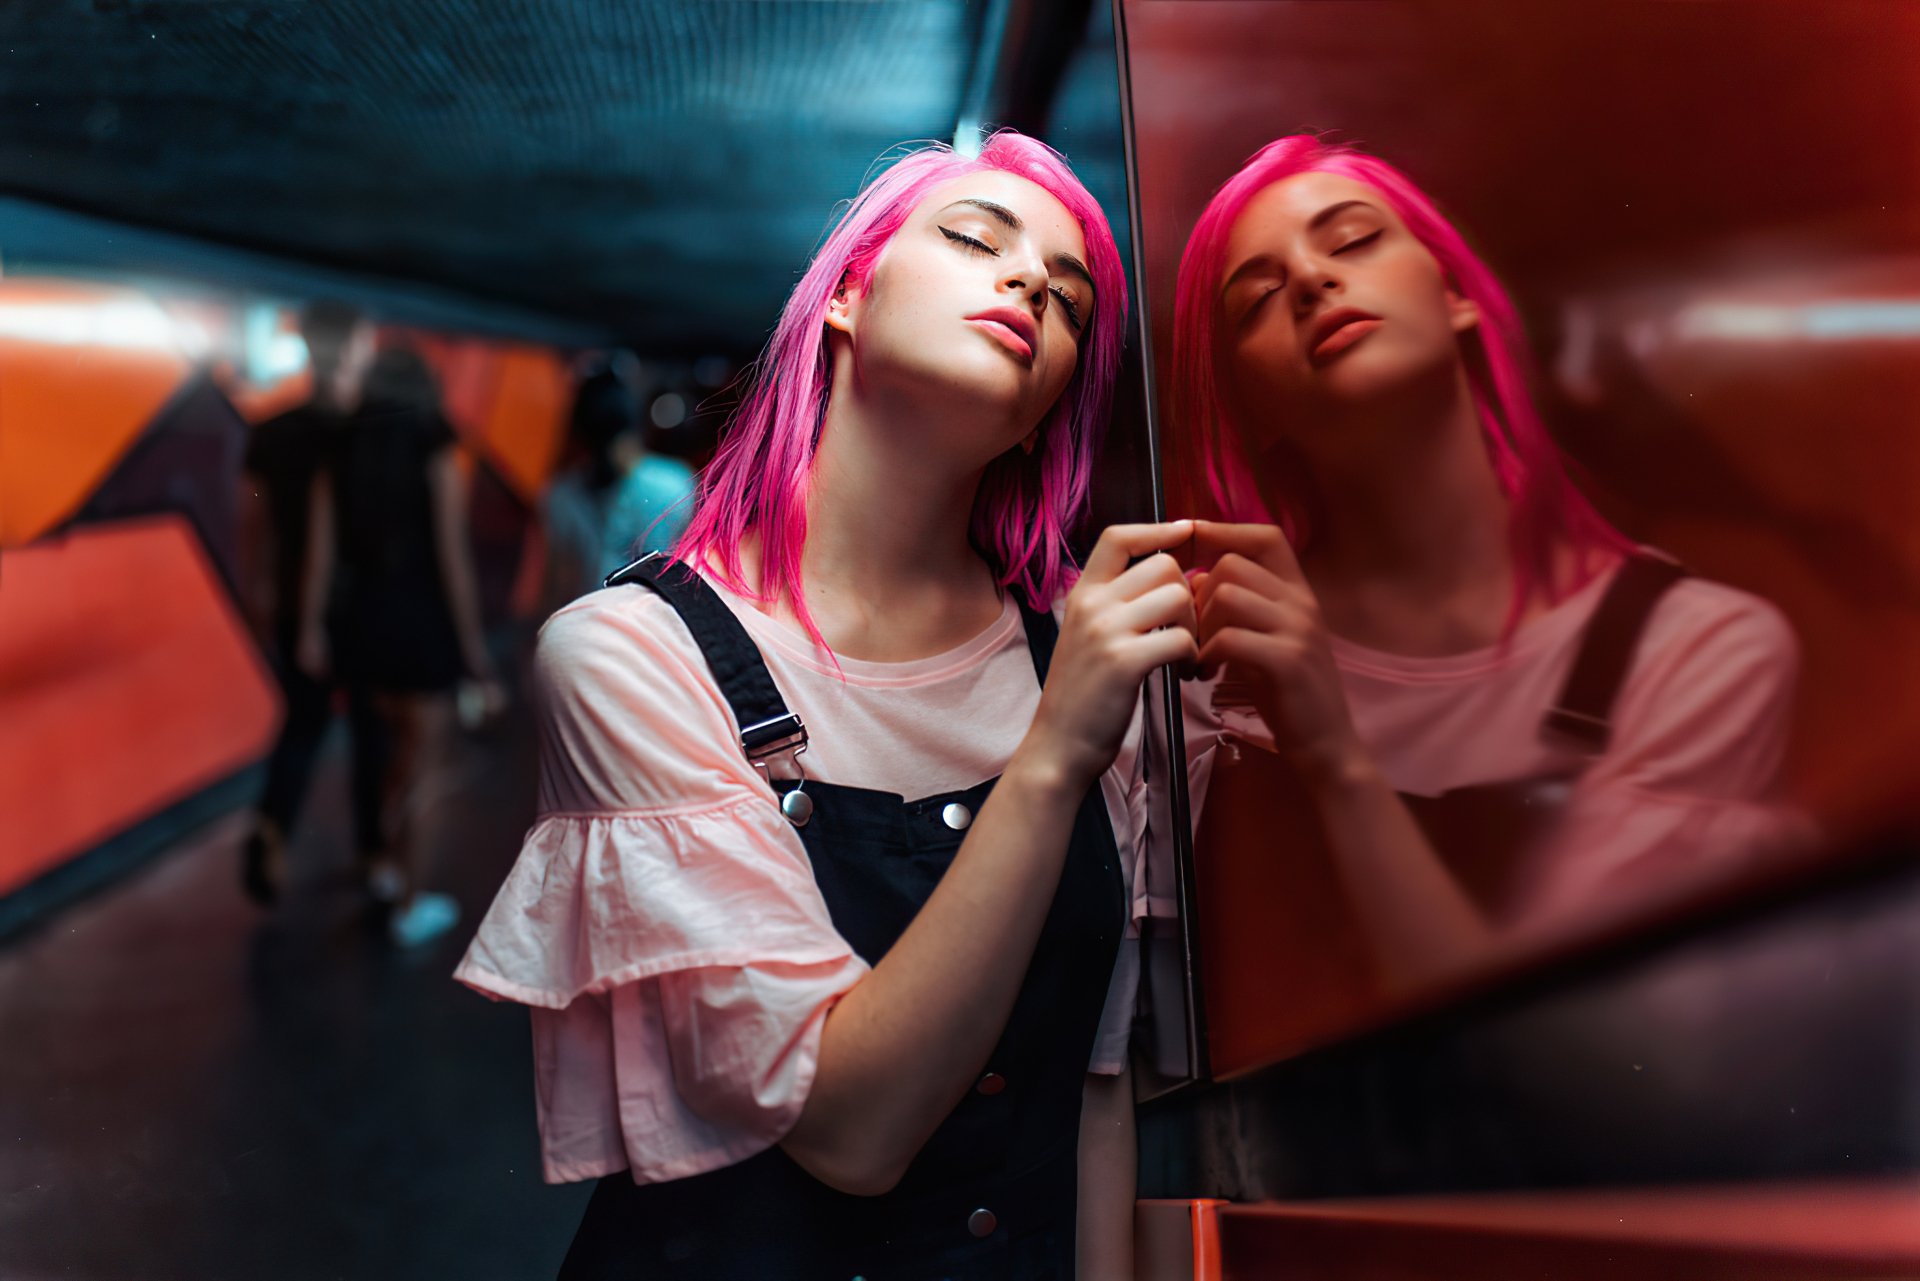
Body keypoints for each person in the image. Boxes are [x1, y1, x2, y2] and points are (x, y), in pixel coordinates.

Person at [455, 131, 1191, 1279]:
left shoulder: (1088, 658)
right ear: (846, 297)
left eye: (1070, 295)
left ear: (1052, 404)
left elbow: (1101, 1099)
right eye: (974, 238)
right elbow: (852, 1131)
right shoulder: (632, 655)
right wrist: (1051, 756)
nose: (1030, 284)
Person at [1168, 137, 1803, 1005]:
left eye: (1352, 241)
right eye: (1259, 298)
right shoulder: (1216, 670)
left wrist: (1335, 758)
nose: (1315, 280)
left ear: (1457, 291)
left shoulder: (1696, 648)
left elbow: (1541, 1054)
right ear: (1250, 404)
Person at [299, 343, 501, 946]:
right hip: (421, 621)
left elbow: (320, 548)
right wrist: (473, 649)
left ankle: (386, 871)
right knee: (425, 770)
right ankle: (411, 903)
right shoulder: (433, 440)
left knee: (386, 756)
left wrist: (311, 627)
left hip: (362, 622)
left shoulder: (341, 445)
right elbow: (452, 557)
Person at [238, 300, 384, 905]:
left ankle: (272, 831)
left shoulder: (274, 429)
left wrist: (264, 593)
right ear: (357, 348)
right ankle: (374, 852)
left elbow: (258, 524)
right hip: (366, 599)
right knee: (373, 728)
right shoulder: (374, 426)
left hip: (301, 600)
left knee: (303, 723)